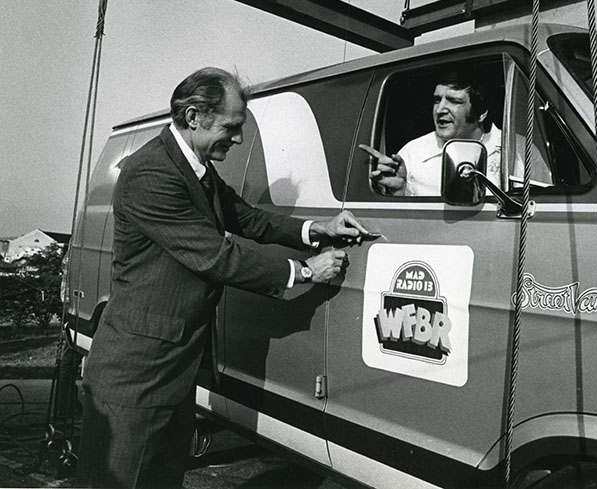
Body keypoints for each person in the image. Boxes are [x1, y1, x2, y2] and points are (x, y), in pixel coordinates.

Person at [76, 67, 370, 489]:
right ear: (194, 116)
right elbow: (216, 256)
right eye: (232, 127)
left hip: (172, 369)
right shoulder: (152, 173)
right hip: (136, 375)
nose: (237, 139)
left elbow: (244, 217)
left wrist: (316, 229)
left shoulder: (191, 167)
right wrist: (306, 270)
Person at [360, 68, 502, 196]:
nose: (440, 110)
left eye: (454, 101)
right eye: (437, 100)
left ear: (481, 112)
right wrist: (401, 192)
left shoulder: (515, 150)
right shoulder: (412, 153)